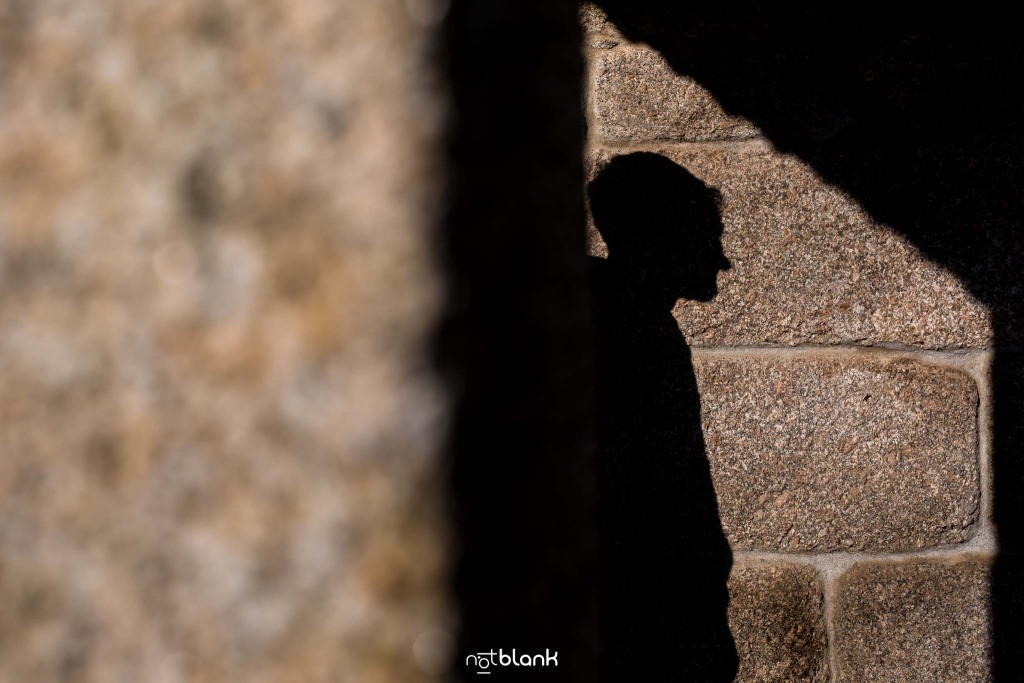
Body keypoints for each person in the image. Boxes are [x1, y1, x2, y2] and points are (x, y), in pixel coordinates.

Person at [588, 152, 736, 680]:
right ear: (667, 238)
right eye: (708, 235)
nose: (722, 260)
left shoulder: (628, 321)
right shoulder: (634, 334)